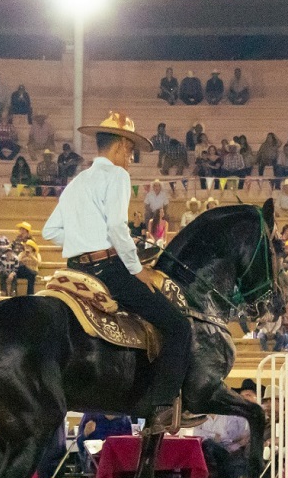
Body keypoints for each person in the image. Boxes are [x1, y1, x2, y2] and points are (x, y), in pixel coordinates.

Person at [42, 112, 192, 434]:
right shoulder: (118, 177)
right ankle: (163, 407)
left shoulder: (77, 181)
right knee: (178, 326)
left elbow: (49, 230)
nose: (131, 158)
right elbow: (115, 226)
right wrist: (138, 270)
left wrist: (84, 241)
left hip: (75, 270)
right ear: (122, 146)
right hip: (108, 270)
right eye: (131, 151)